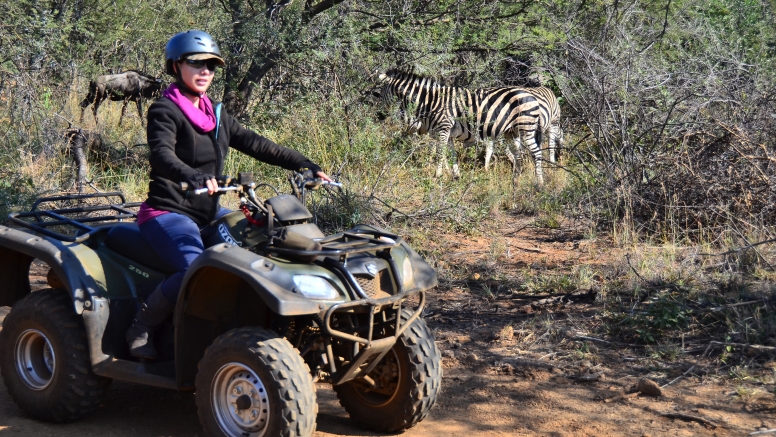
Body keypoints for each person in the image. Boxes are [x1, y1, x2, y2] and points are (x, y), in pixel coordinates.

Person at [125, 30, 331, 359]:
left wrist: (305, 164)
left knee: (262, 244)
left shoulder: (216, 115)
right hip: (168, 213)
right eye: (196, 62)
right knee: (194, 270)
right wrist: (195, 176)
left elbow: (258, 145)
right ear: (176, 66)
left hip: (208, 212)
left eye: (211, 64)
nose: (205, 70)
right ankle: (142, 324)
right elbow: (163, 155)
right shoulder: (165, 110)